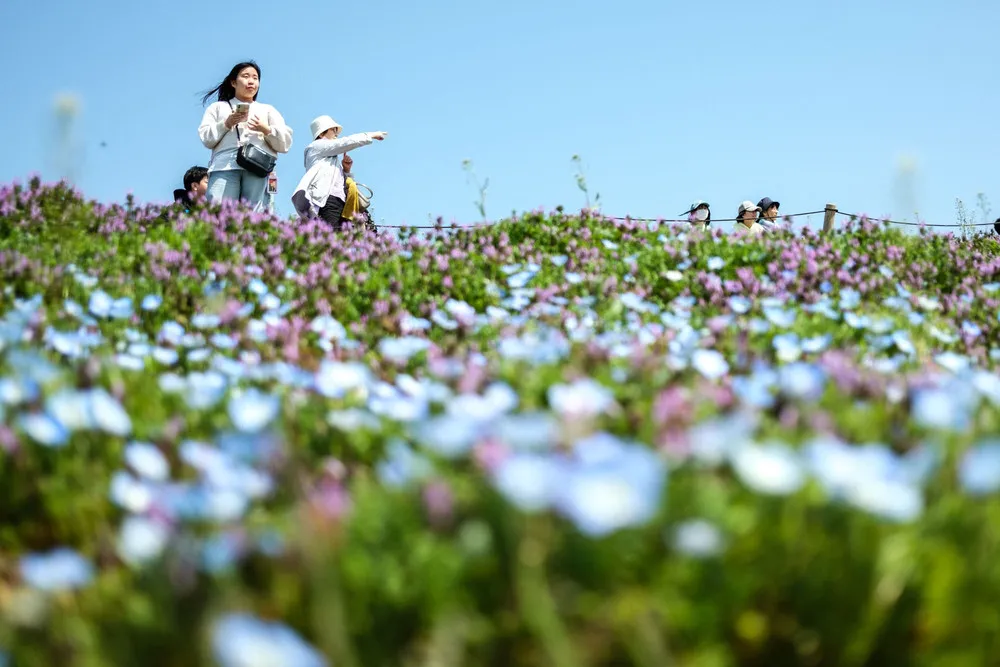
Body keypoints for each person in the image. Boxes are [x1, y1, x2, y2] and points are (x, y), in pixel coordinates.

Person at [198, 61, 293, 212]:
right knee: (219, 212)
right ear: (233, 82)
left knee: (253, 216)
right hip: (224, 166)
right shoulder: (218, 107)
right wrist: (226, 123)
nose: (251, 81)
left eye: (255, 78)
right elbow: (206, 138)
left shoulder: (267, 110)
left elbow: (285, 144)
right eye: (246, 76)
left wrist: (265, 129)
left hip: (257, 166)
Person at [291, 115, 386, 230]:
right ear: (321, 134)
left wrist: (346, 170)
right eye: (333, 130)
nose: (336, 133)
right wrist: (371, 135)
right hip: (327, 201)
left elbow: (339, 183)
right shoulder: (316, 147)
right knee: (332, 240)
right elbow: (344, 143)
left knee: (339, 240)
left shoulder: (329, 158)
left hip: (338, 202)